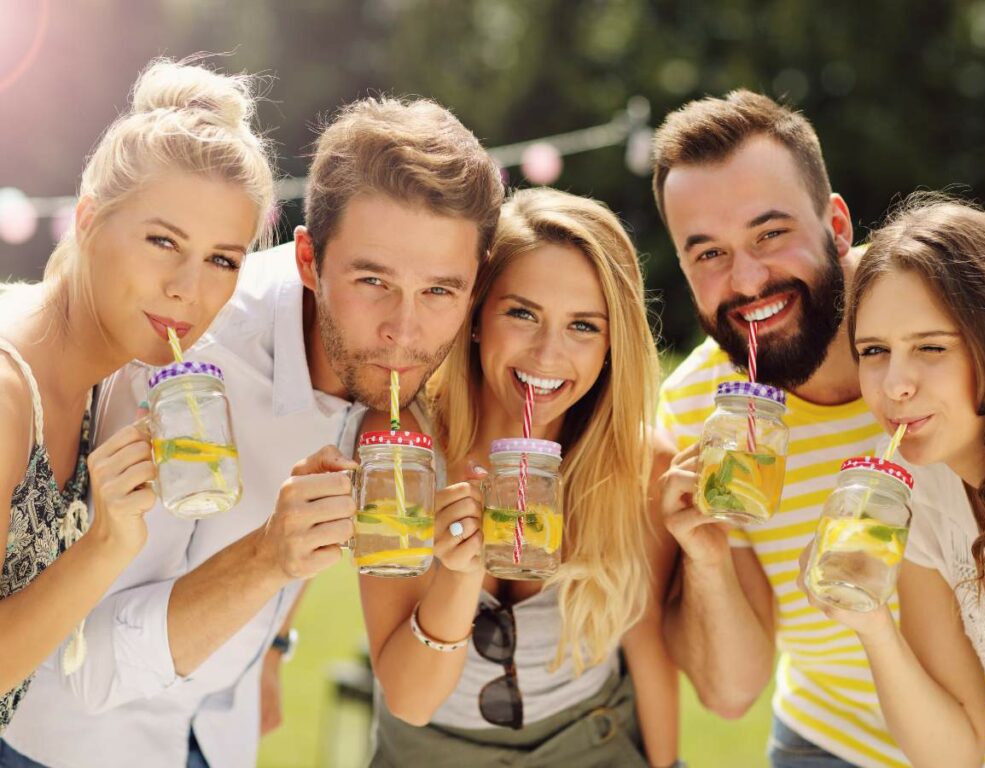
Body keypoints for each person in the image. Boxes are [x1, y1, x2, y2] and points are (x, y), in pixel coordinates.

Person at [1, 96, 504, 768]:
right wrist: (268, 559)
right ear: (308, 262)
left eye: (441, 290)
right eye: (372, 280)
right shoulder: (181, 350)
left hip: (221, 739)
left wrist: (274, 641)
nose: (404, 330)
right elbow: (89, 663)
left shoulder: (400, 384)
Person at [652, 90, 985, 767]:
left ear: (838, 224)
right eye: (708, 254)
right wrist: (706, 558)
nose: (748, 279)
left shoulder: (939, 297)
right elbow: (731, 694)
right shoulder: (696, 412)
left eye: (770, 234)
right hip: (834, 743)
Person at [358, 187, 682, 768]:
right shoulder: (402, 449)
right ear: (478, 315)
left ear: (612, 346)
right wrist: (460, 573)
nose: (547, 354)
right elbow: (409, 698)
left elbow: (647, 640)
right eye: (522, 313)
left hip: (593, 746)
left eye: (584, 326)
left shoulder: (637, 463)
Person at [0, 55, 274, 740]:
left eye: (222, 260)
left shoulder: (111, 377)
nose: (190, 289)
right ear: (89, 218)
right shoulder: (6, 397)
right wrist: (109, 543)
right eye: (162, 242)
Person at [802, 194, 985, 766]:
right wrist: (872, 624)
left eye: (930, 347)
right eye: (874, 351)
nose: (895, 384)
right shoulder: (916, 488)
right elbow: (955, 751)